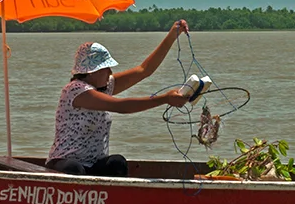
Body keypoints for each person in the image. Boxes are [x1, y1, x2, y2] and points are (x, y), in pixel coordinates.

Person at [46, 20, 192, 176]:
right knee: (74, 169)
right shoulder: (75, 90)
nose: (110, 72)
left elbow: (144, 70)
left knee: (117, 162)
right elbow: (121, 106)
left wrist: (172, 36)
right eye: (105, 68)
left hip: (93, 164)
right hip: (64, 163)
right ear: (90, 72)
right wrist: (164, 99)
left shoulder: (104, 86)